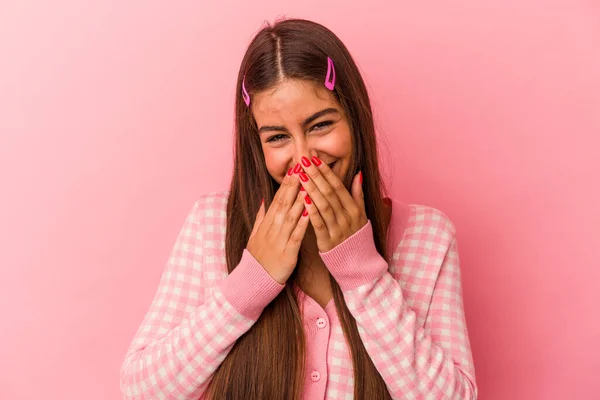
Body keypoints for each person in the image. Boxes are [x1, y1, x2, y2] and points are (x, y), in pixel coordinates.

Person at [119, 17, 478, 400]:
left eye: (321, 125)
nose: (304, 157)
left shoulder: (428, 236)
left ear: (355, 120)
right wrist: (249, 284)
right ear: (256, 146)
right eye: (277, 137)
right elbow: (142, 390)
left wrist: (362, 274)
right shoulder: (211, 224)